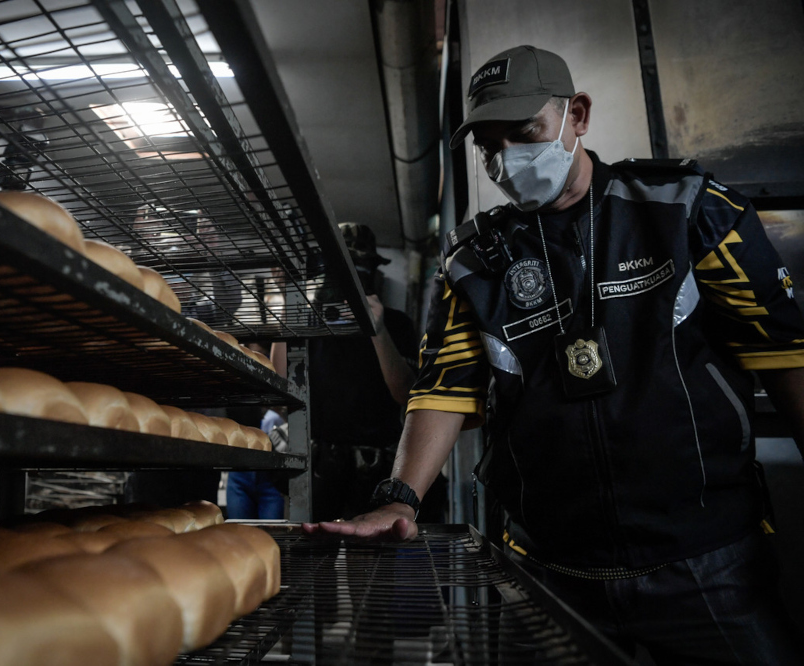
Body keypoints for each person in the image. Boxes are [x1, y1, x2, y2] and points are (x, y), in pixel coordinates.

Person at [305, 45, 804, 663]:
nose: (508, 160)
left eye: (524, 133)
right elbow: (443, 389)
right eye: (490, 147)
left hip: (708, 562)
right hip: (549, 570)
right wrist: (399, 496)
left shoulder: (686, 209)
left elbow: (785, 354)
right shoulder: (476, 261)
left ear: (578, 115)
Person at [278, 222, 447, 522]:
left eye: (360, 270)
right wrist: (287, 317)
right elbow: (282, 399)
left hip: (375, 468)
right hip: (319, 467)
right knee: (311, 559)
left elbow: (407, 395)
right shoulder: (307, 324)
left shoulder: (395, 324)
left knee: (370, 562)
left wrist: (377, 331)